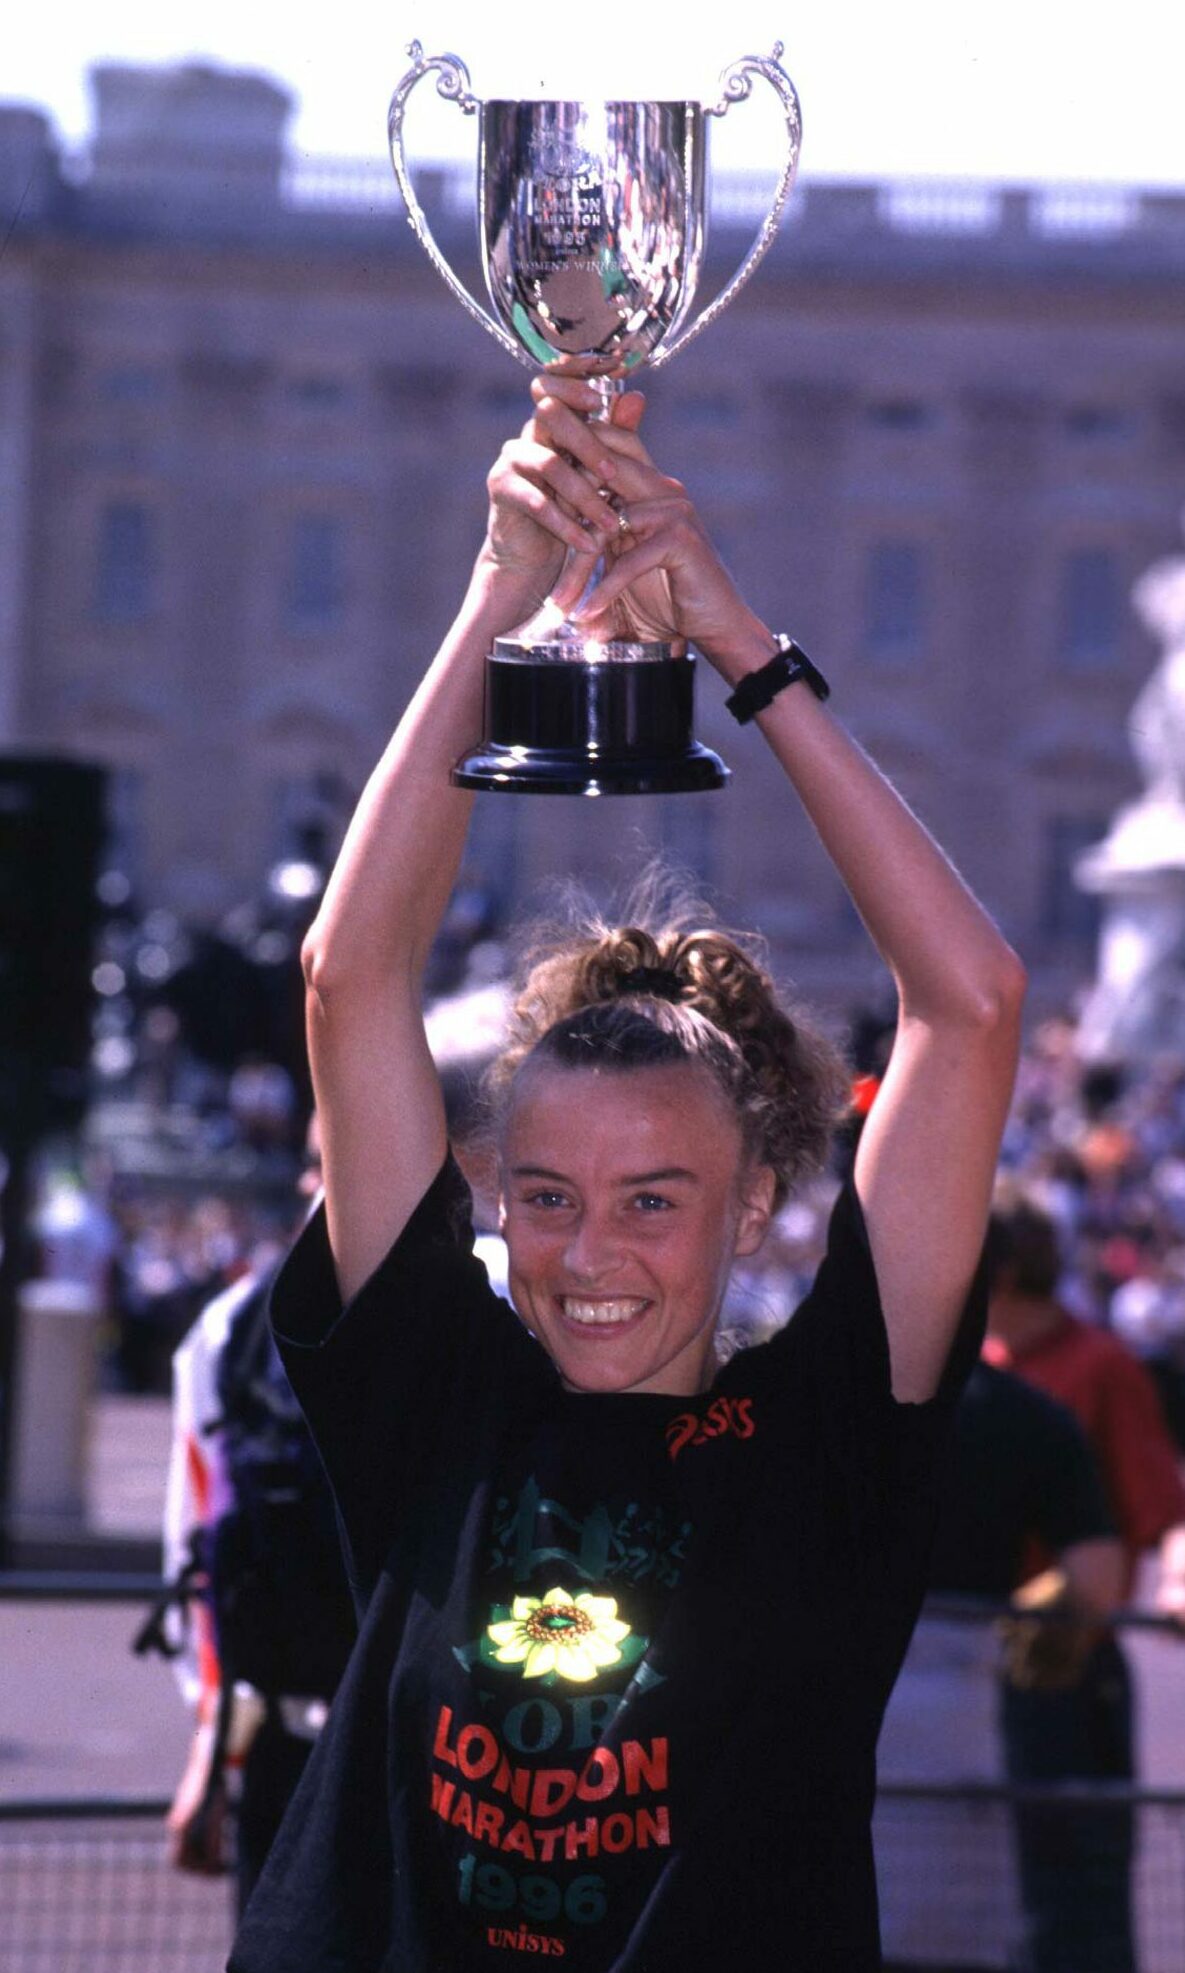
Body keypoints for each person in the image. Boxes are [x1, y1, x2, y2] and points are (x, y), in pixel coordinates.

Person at [228, 363, 1025, 1972]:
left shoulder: (828, 1449)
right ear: (493, 1195)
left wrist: (740, 646)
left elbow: (971, 1004)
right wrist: (496, 600)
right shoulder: (438, 1395)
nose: (588, 1252)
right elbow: (347, 977)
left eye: (654, 1199)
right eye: (545, 1196)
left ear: (750, 1204)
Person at [985, 1185, 1185, 1972]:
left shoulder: (1100, 1366)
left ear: (996, 1270)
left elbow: (1164, 1508)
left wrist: (1175, 1582)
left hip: (1066, 1678)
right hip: (975, 1673)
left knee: (1080, 1905)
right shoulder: (976, 1364)